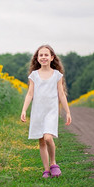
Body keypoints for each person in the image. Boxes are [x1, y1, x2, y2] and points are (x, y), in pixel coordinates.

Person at [20, 45, 72, 178]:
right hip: (38, 112)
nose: (43, 57)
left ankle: (53, 163)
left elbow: (61, 94)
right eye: (41, 55)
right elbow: (30, 94)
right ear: (37, 58)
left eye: (46, 55)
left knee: (48, 138)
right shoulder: (34, 75)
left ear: (52, 57)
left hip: (51, 112)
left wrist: (67, 112)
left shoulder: (57, 75)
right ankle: (46, 169)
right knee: (41, 141)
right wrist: (24, 110)